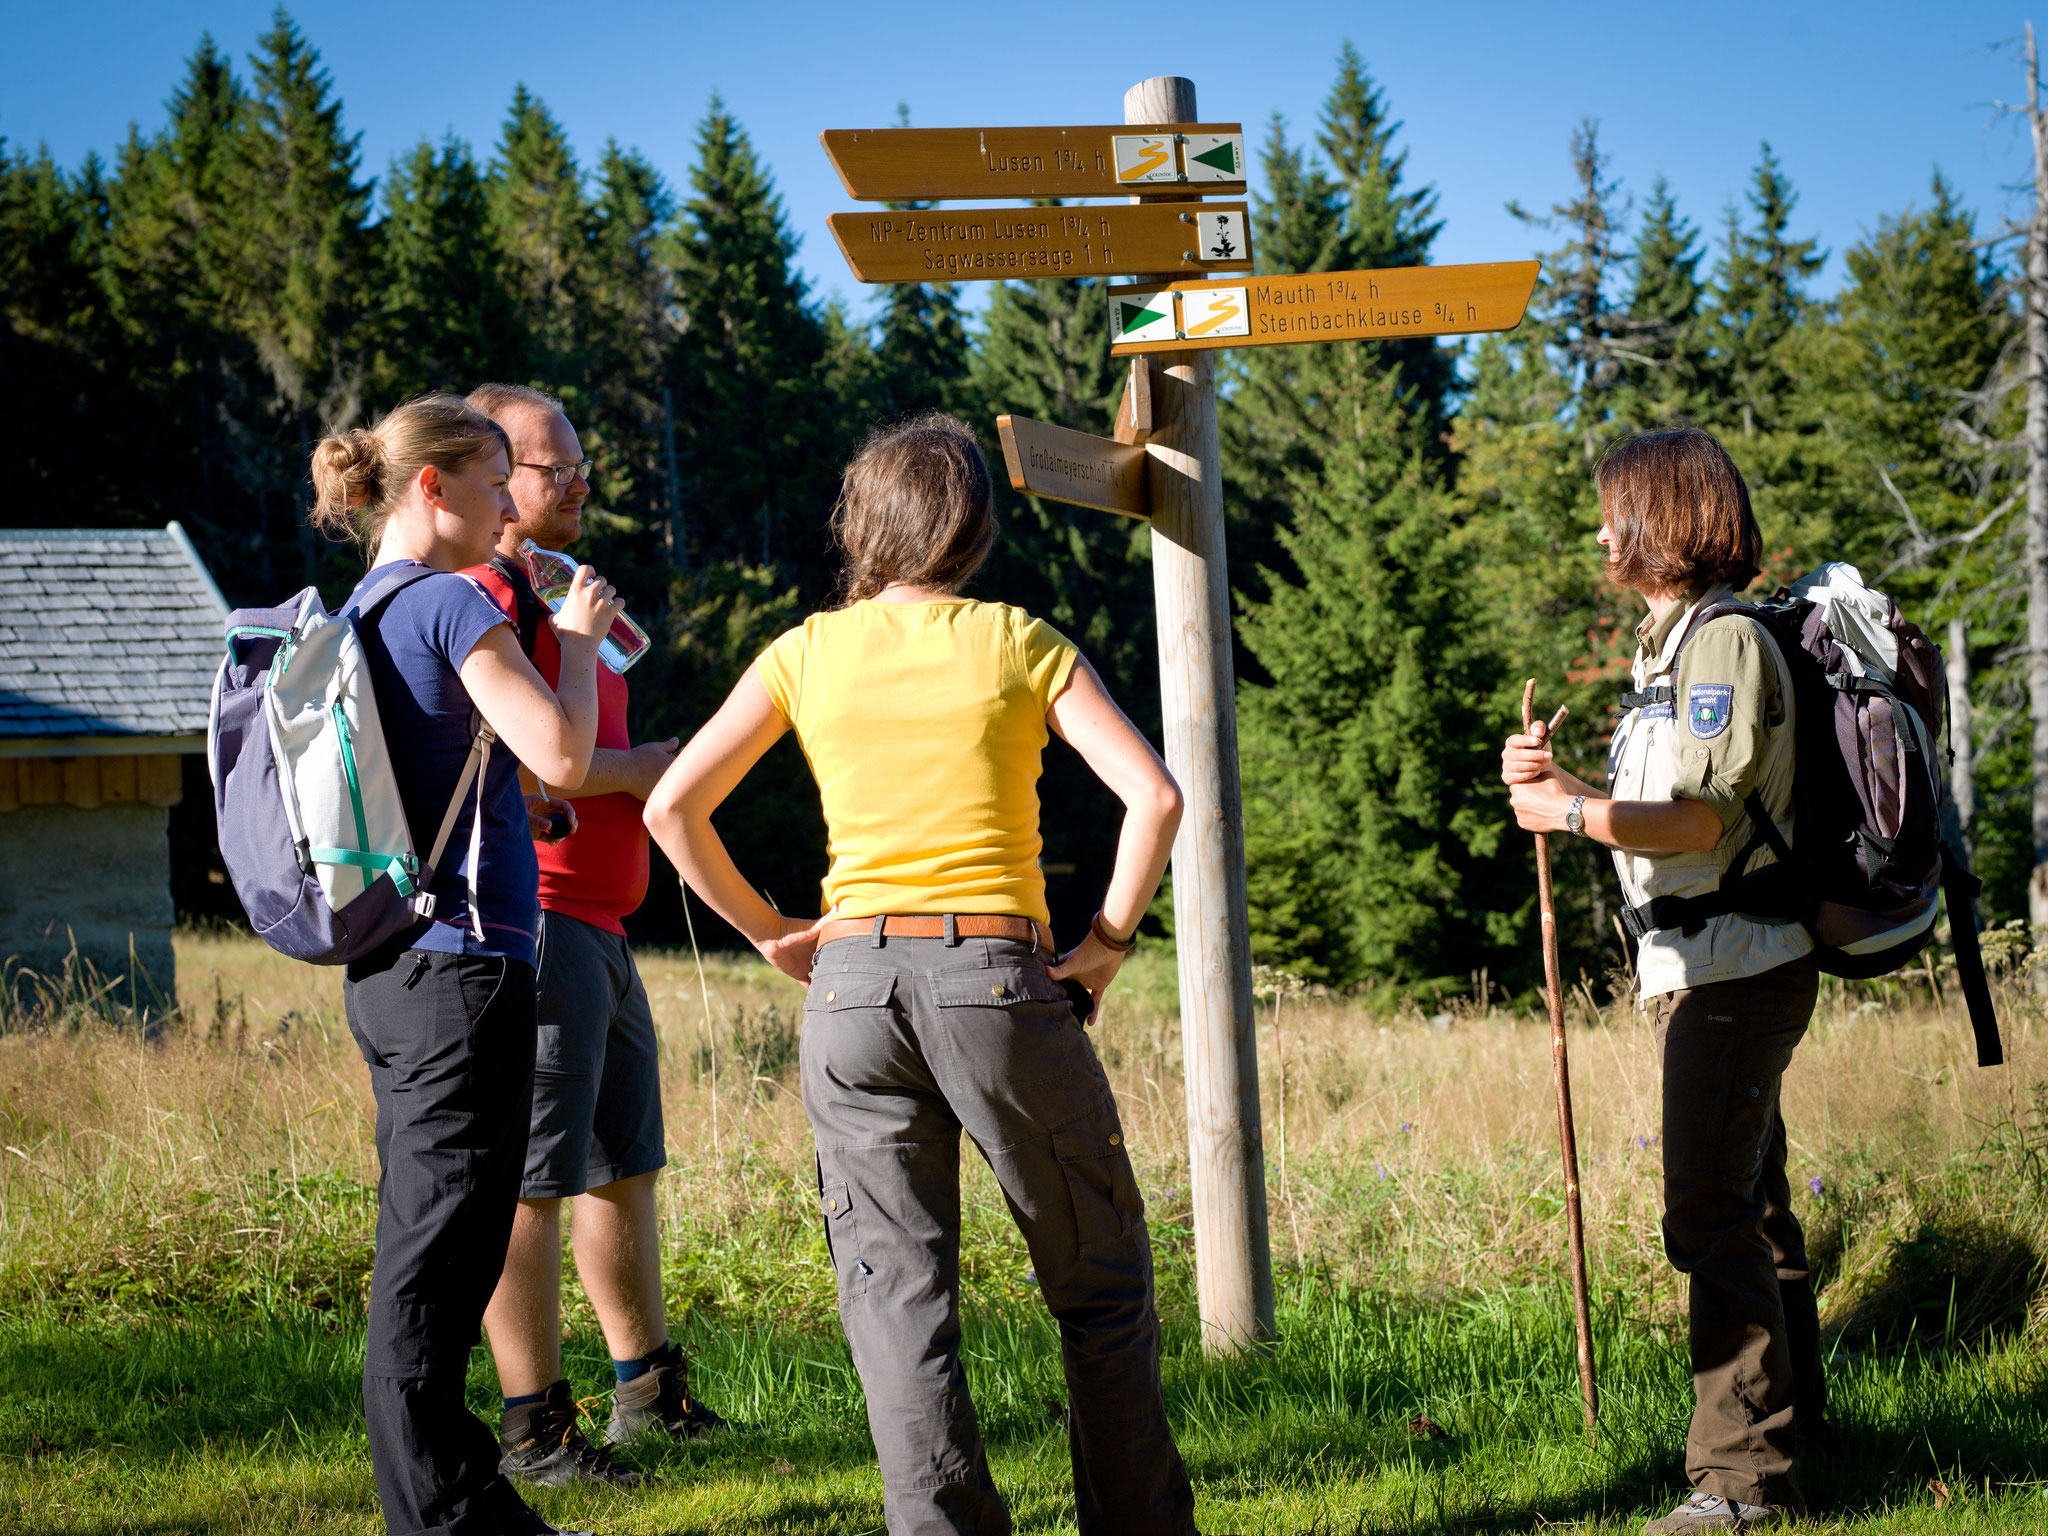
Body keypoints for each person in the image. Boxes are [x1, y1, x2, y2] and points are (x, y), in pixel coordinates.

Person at [643, 413, 1198, 1536]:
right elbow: (1156, 797)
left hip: (847, 989)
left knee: (897, 1308)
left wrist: (767, 932)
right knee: (1097, 1285)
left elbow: (670, 806)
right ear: (976, 528)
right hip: (993, 977)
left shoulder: (803, 651)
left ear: (860, 522)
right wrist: (1105, 943)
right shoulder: (1013, 639)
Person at [307, 392, 621, 1536]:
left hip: (392, 966)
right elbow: (566, 752)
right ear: (430, 488)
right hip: (463, 969)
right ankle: (441, 1514)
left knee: (433, 1241)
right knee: (438, 1259)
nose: (506, 508)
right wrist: (576, 650)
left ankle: (458, 1499)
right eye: (492, 482)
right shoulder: (444, 601)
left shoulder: (363, 608)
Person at [1501, 427, 1821, 1535]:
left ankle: (1737, 1484)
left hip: (1734, 969)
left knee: (1704, 1218)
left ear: (1663, 514)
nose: (1600, 532)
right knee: (1749, 1209)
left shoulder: (1722, 645)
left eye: (1612, 510)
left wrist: (1566, 814)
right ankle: (1794, 1438)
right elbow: (1667, 815)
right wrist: (1564, 784)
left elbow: (1696, 819)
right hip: (1704, 964)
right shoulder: (1675, 647)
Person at [462, 383, 728, 1485]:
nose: (577, 483)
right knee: (530, 1183)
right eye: (552, 468)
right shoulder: (479, 600)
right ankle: (532, 1430)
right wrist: (638, 769)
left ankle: (644, 1394)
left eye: (580, 466)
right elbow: (508, 763)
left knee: (624, 1167)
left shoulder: (569, 600)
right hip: (538, 922)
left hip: (603, 925)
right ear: (494, 480)